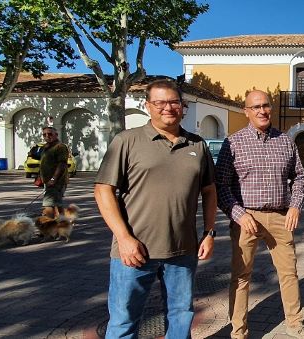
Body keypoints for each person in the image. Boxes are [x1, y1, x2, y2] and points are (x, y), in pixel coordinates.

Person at [94, 79, 217, 338]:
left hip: (183, 251)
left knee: (180, 318)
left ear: (182, 106)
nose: (168, 108)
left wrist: (209, 232)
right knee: (123, 322)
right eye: (160, 102)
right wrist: (124, 238)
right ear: (147, 105)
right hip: (134, 252)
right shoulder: (127, 141)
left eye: (174, 102)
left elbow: (209, 190)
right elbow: (103, 190)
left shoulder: (197, 145)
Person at [215, 90, 304, 339]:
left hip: (281, 217)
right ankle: (238, 332)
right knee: (241, 276)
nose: (262, 111)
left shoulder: (285, 140)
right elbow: (221, 186)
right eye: (256, 106)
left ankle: (295, 324)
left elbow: (299, 178)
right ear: (246, 111)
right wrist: (238, 214)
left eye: (266, 105)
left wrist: (295, 206)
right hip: (246, 219)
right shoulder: (233, 143)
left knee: (289, 273)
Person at [39, 126, 69, 218]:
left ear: (56, 135)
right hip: (47, 181)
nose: (47, 136)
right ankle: (63, 226)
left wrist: (53, 179)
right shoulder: (45, 147)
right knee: (57, 204)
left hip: (56, 182)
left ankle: (47, 230)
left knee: (48, 205)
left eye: (50, 134)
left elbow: (62, 164)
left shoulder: (60, 147)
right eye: (44, 134)